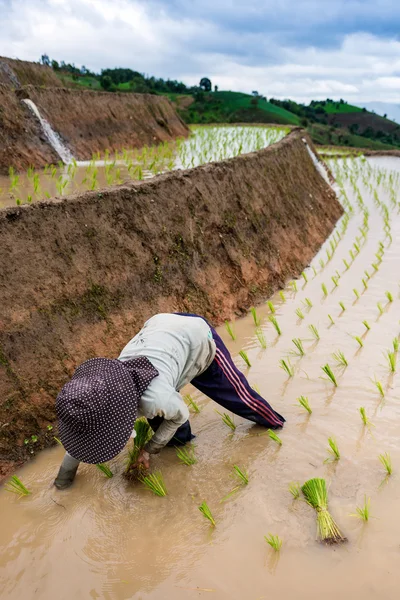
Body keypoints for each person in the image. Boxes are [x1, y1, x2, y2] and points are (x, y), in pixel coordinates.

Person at [54, 313, 285, 489]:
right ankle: (182, 445)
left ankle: (277, 423)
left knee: (239, 397)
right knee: (173, 436)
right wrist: (62, 483)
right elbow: (81, 436)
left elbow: (180, 414)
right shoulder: (95, 398)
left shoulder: (153, 399)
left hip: (195, 336)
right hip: (158, 332)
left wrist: (148, 450)